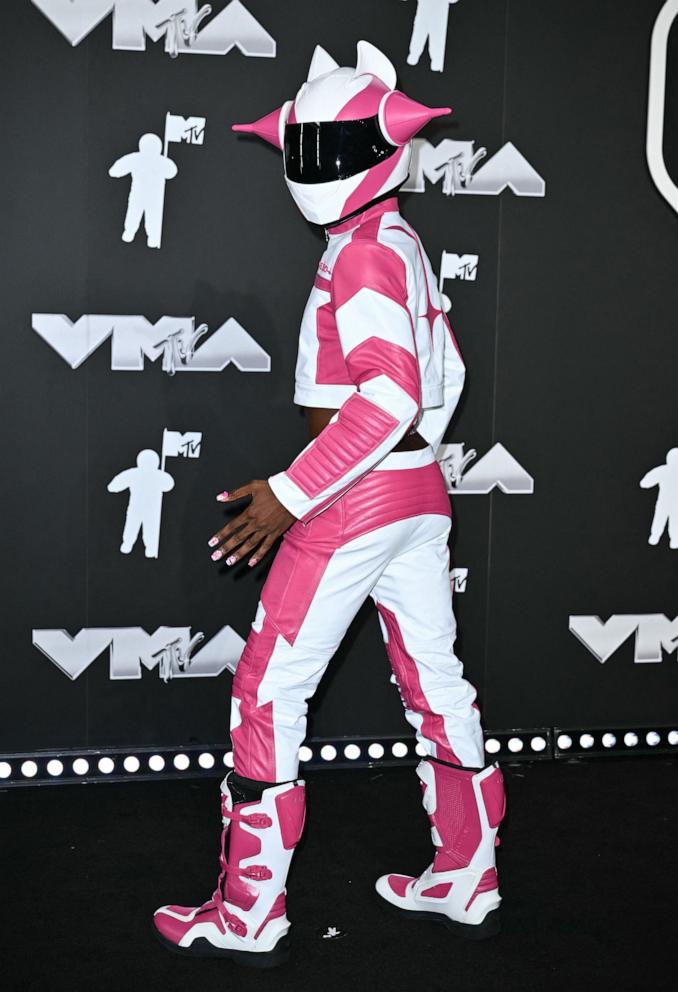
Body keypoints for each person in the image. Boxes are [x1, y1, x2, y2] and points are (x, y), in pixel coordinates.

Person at [152, 40, 506, 967]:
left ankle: (246, 911)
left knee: (268, 690)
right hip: (418, 490)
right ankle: (467, 872)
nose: (303, 170)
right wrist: (402, 454)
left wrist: (291, 490)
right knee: (436, 681)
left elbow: (387, 396)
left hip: (355, 496)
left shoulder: (360, 255)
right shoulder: (394, 244)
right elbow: (446, 372)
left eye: (314, 150)